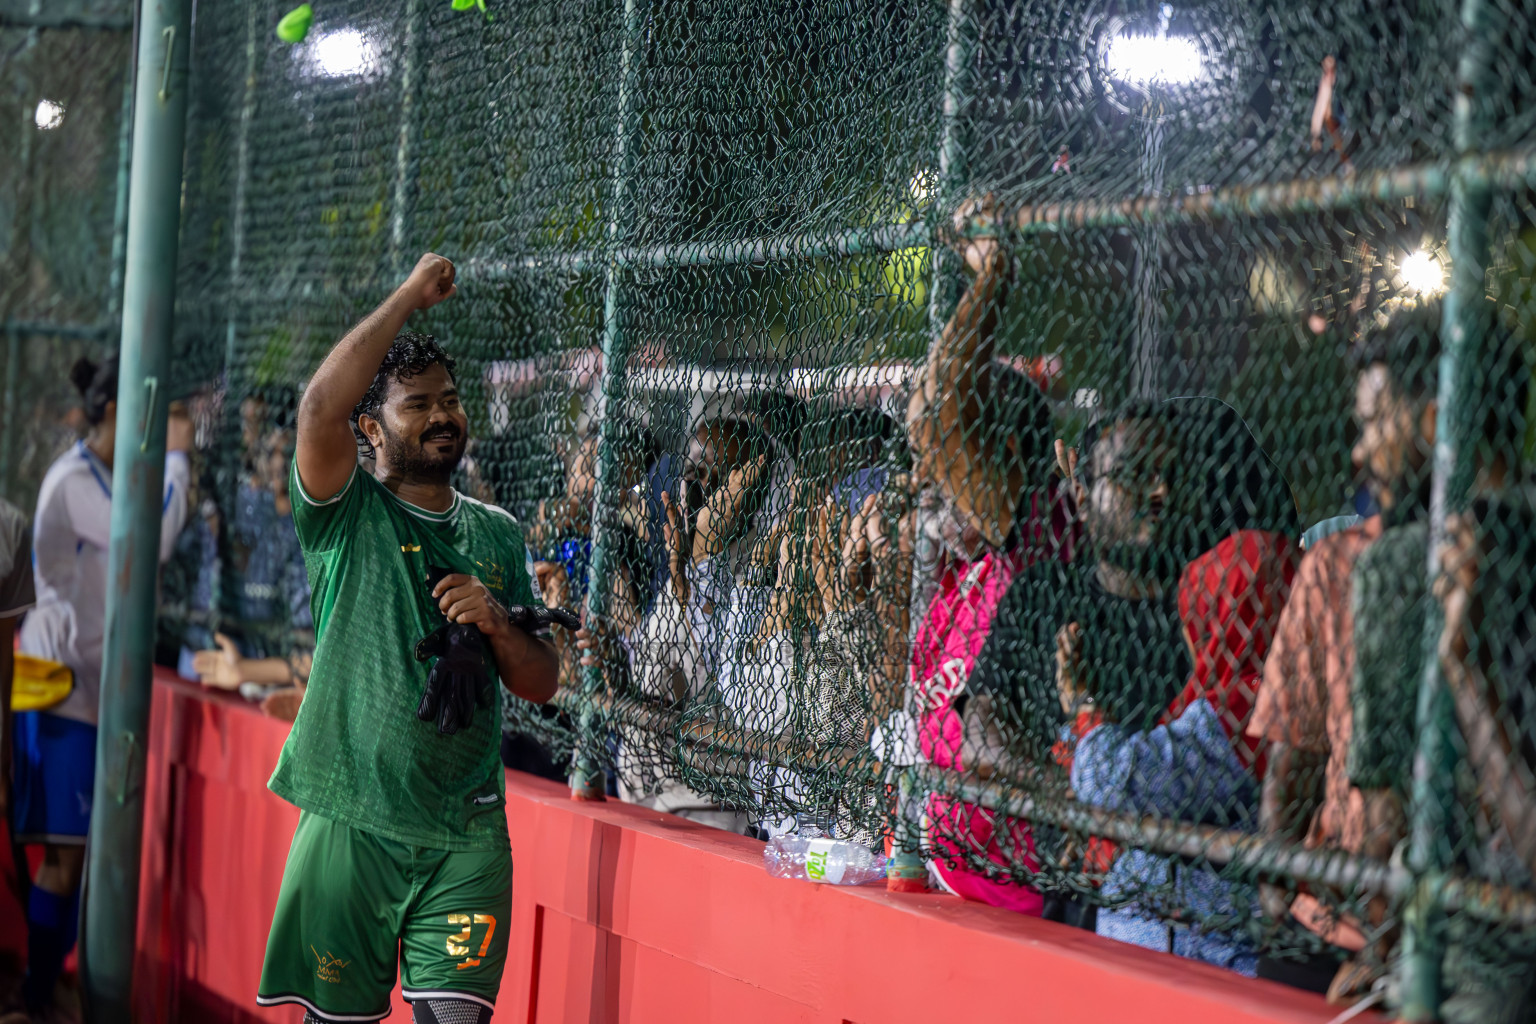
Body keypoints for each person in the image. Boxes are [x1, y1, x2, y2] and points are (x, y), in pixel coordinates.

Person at [255, 253, 560, 1024]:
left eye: (450, 400)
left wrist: (493, 620)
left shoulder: (497, 535)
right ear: (371, 426)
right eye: (417, 402)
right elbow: (318, 407)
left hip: (467, 835)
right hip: (352, 822)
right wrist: (408, 297)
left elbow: (540, 682)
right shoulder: (345, 514)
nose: (441, 415)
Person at [1247, 297, 1485, 997]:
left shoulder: (1502, 564)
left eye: (1376, 423)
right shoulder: (1336, 565)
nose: (1360, 450)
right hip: (1330, 919)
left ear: (1436, 422)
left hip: (1457, 938)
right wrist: (1278, 905)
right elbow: (1292, 764)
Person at [1049, 398, 1301, 973]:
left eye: (1210, 610)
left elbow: (1119, 783)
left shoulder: (1250, 699)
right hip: (1147, 941)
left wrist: (1084, 708)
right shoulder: (1216, 691)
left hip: (1209, 951)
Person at [9, 356, 192, 1020]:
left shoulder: (100, 475)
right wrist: (176, 459)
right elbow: (155, 536)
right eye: (158, 412)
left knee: (76, 858)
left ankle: (46, 988)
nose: (168, 425)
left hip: (86, 693)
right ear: (116, 410)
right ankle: (36, 995)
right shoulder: (74, 478)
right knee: (65, 858)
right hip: (63, 692)